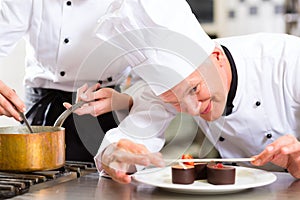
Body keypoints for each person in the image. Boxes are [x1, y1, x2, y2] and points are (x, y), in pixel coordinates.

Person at [73, 7, 300, 182]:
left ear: (216, 59)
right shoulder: (166, 89)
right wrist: (115, 157)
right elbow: (128, 142)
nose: (193, 109)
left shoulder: (289, 61)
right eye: (176, 102)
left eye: (195, 90)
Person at [0, 0, 208, 162]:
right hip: (42, 108)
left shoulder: (135, 5)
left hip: (106, 110)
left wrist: (124, 99)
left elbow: (149, 75)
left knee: (105, 182)